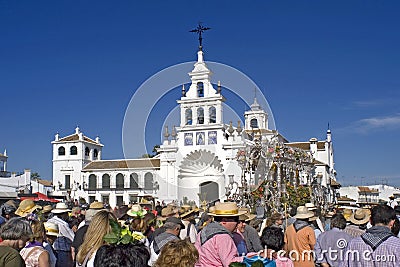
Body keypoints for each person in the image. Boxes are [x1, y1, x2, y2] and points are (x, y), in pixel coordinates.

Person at [195, 202, 250, 267]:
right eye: (236, 220)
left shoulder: (203, 231)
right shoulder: (223, 237)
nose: (237, 224)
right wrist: (252, 258)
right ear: (224, 221)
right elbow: (230, 263)